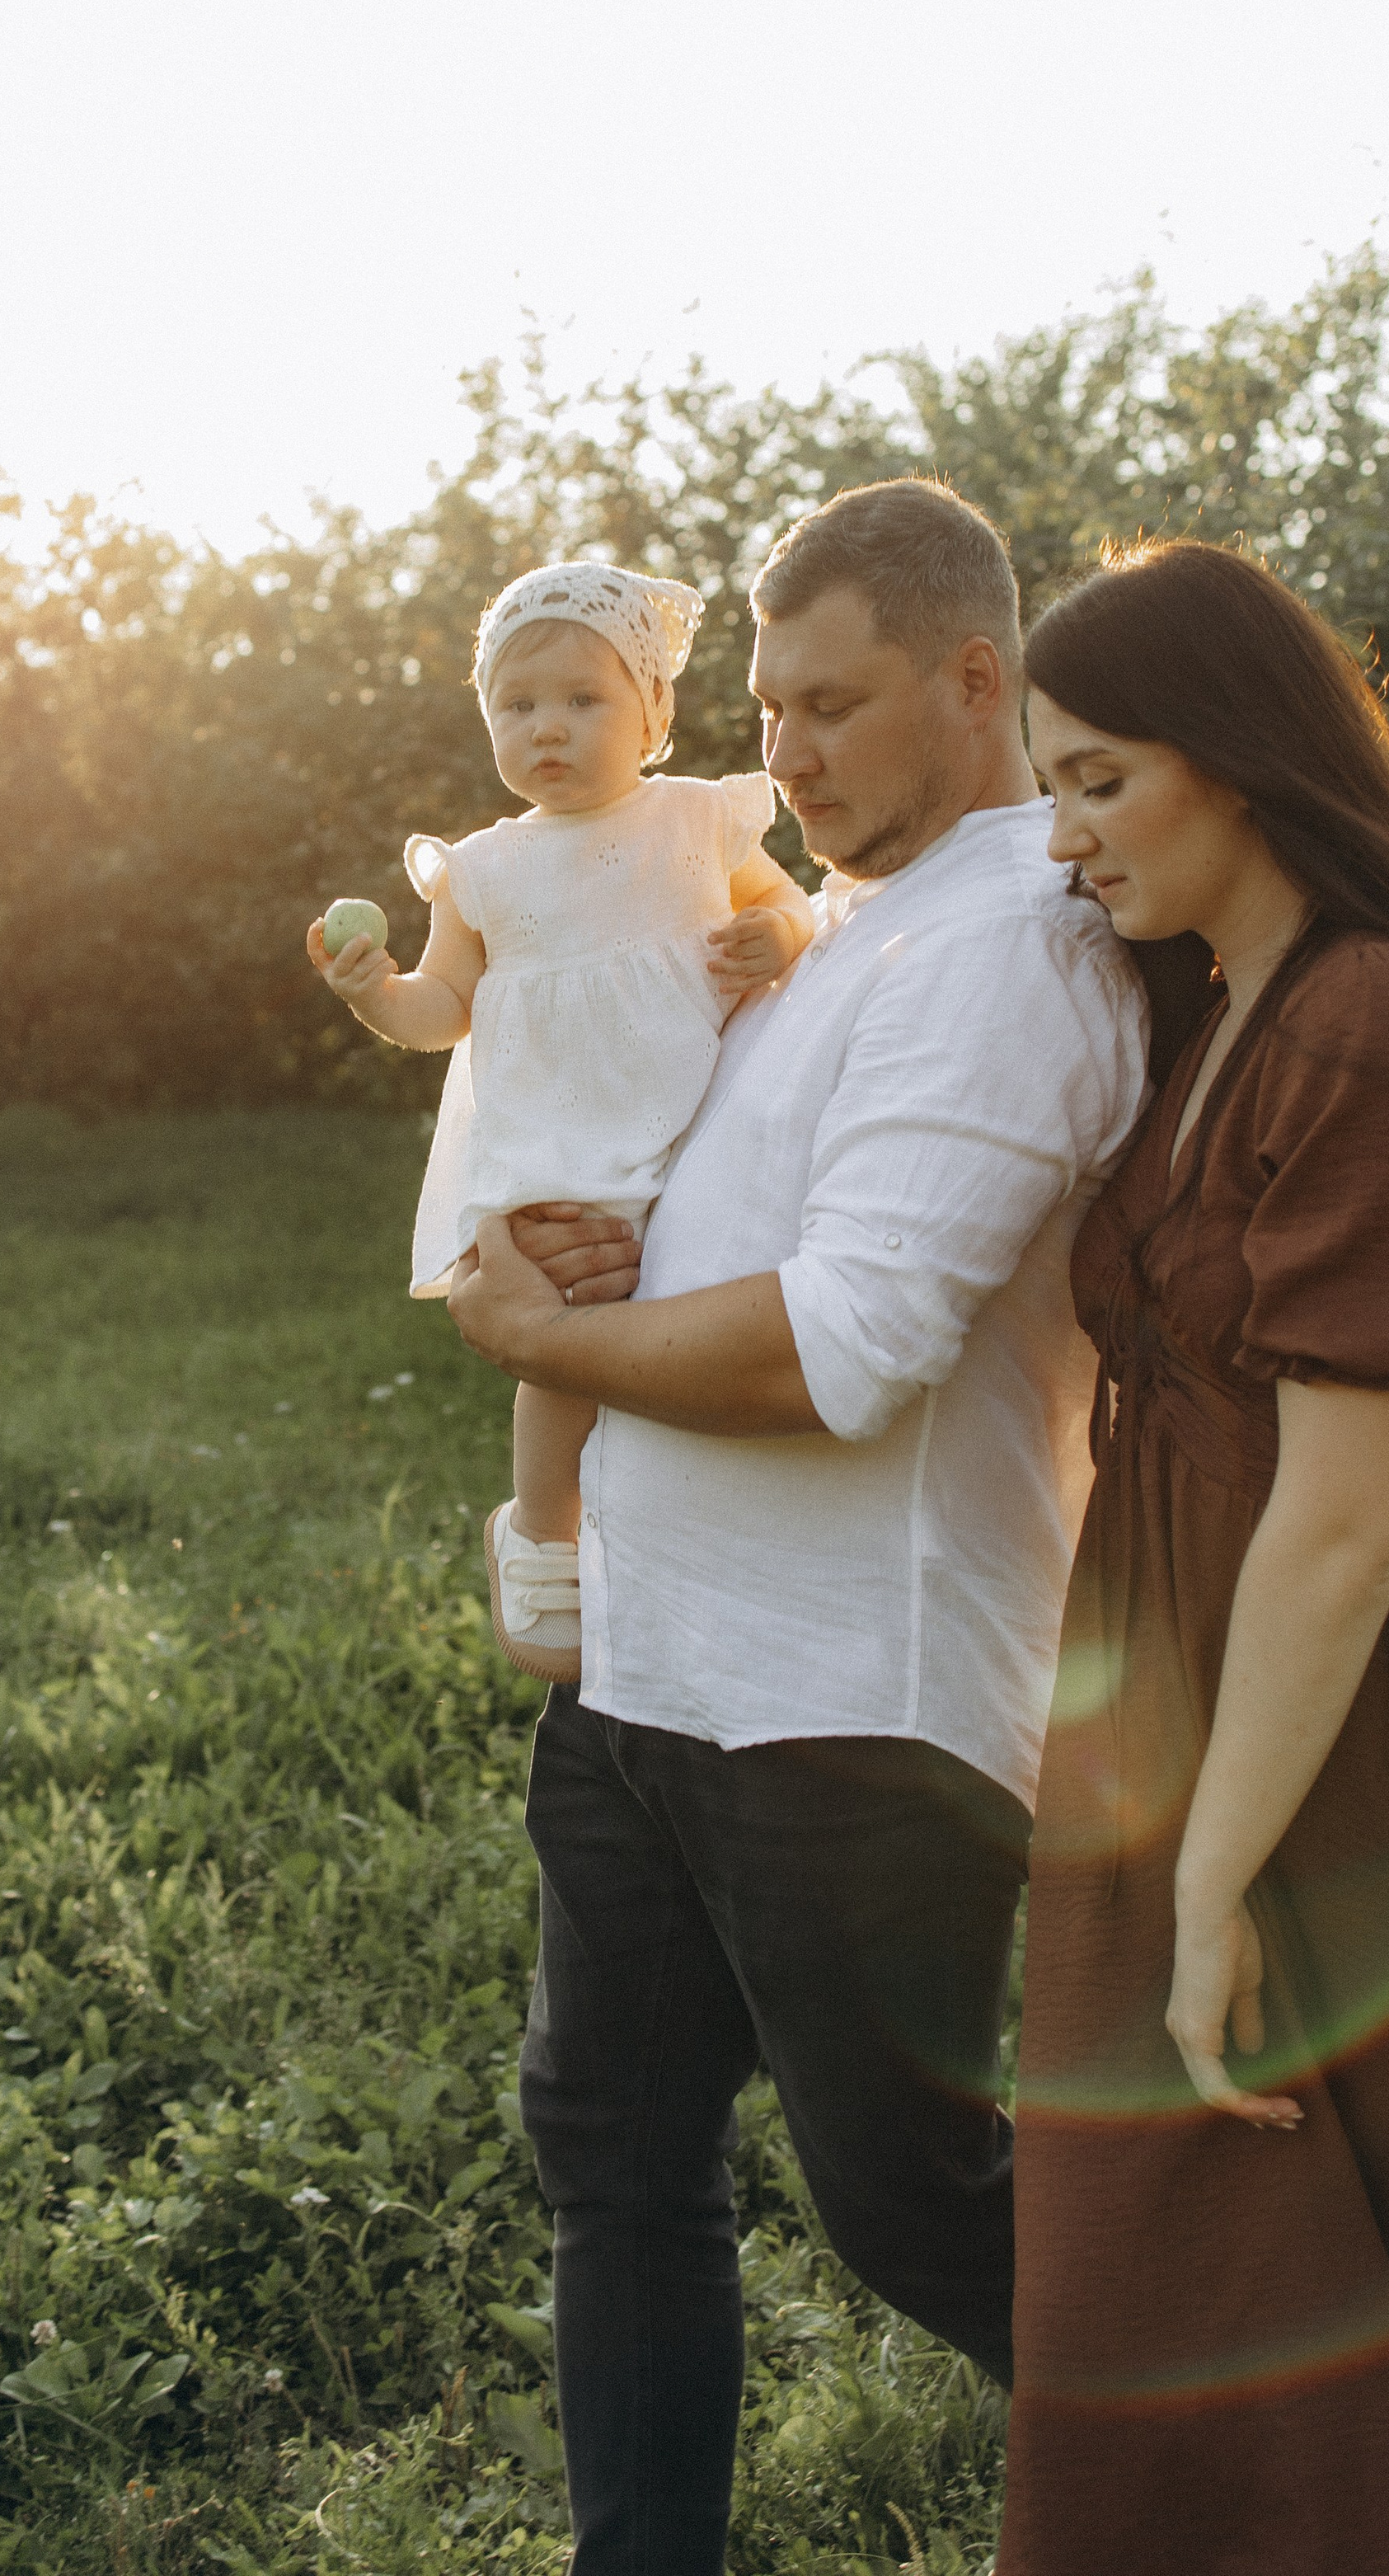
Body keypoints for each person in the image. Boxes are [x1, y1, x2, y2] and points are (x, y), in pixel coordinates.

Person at [444, 479, 1148, 2576]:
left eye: (833, 707)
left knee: (911, 2206)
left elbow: (850, 1345)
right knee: (610, 2159)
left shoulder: (1014, 945)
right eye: (766, 708)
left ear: (974, 682)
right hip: (650, 1674)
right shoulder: (839, 923)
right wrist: (594, 1241)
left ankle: (1302, 2482)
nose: (786, 753)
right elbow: (707, 1191)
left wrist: (536, 1334)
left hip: (850, 1704)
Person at [1006, 538, 1389, 2576]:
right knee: (1185, 2268)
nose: (1063, 834)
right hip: (1202, 1700)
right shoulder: (1213, 1004)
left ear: (1242, 752)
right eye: (1049, 786)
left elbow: (1346, 1522)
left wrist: (1210, 1872)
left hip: (1367, 1725)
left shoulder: (1385, 1021)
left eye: (1099, 778)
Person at [307, 560, 814, 1680]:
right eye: (517, 704)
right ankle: (541, 1526)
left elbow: (792, 905)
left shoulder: (696, 822)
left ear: (655, 713)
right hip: (556, 1151)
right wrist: (376, 992)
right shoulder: (483, 871)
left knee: (683, 1320)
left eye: (584, 699)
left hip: (694, 1125)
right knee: (564, 1326)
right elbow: (443, 1008)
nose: (547, 727)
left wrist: (777, 936)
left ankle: (660, 1529)